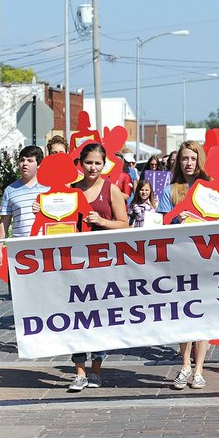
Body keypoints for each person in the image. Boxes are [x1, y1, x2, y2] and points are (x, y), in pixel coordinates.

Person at [67, 142, 129, 391]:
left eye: (97, 163)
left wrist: (102, 221)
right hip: (74, 262)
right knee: (76, 315)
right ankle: (79, 371)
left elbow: (124, 223)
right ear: (80, 164)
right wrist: (42, 209)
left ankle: (95, 370)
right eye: (89, 162)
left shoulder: (111, 189)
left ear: (104, 165)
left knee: (99, 316)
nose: (93, 167)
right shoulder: (70, 190)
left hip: (103, 262)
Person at [156, 141, 212, 388]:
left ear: (199, 160)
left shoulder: (211, 188)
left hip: (206, 259)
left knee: (204, 315)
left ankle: (199, 369)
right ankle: (185, 365)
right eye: (184, 159)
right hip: (180, 259)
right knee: (183, 314)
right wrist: (179, 220)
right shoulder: (170, 191)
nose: (188, 163)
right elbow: (163, 225)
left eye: (192, 158)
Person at [0, 146, 48, 270]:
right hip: (19, 249)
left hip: (45, 247)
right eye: (22, 160)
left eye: (30, 160)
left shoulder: (48, 188)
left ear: (38, 164)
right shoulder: (10, 190)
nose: (25, 164)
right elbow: (4, 221)